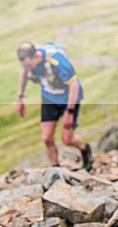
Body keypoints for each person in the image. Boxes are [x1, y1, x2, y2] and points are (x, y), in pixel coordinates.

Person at [16, 42, 93, 171]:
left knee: (67, 139)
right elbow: (23, 73)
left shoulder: (57, 61)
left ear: (36, 56)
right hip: (49, 98)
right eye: (25, 66)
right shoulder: (27, 63)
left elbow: (74, 85)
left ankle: (85, 150)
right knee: (46, 138)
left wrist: (69, 111)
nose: (28, 69)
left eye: (29, 65)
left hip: (68, 98)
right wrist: (20, 98)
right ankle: (55, 169)